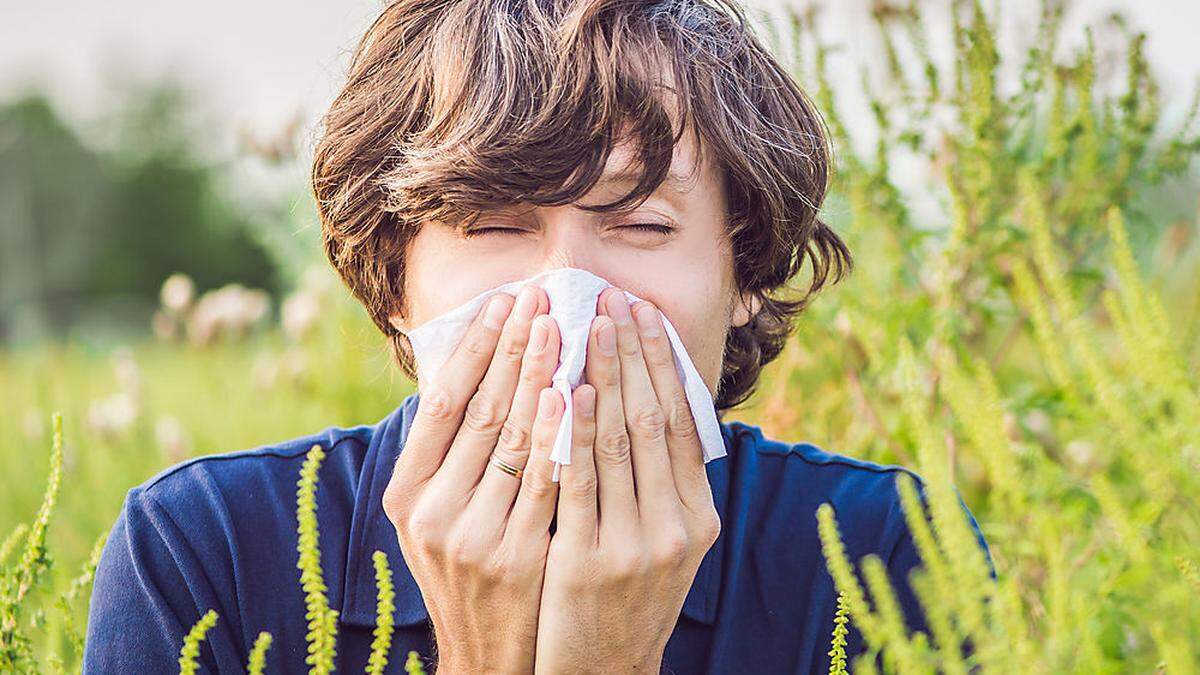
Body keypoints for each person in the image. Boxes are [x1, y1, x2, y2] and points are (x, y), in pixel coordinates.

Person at [83, 0, 994, 672]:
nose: (571, 294)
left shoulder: (884, 556)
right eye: (493, 225)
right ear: (394, 276)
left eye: (640, 226)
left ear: (746, 273)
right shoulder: (204, 555)